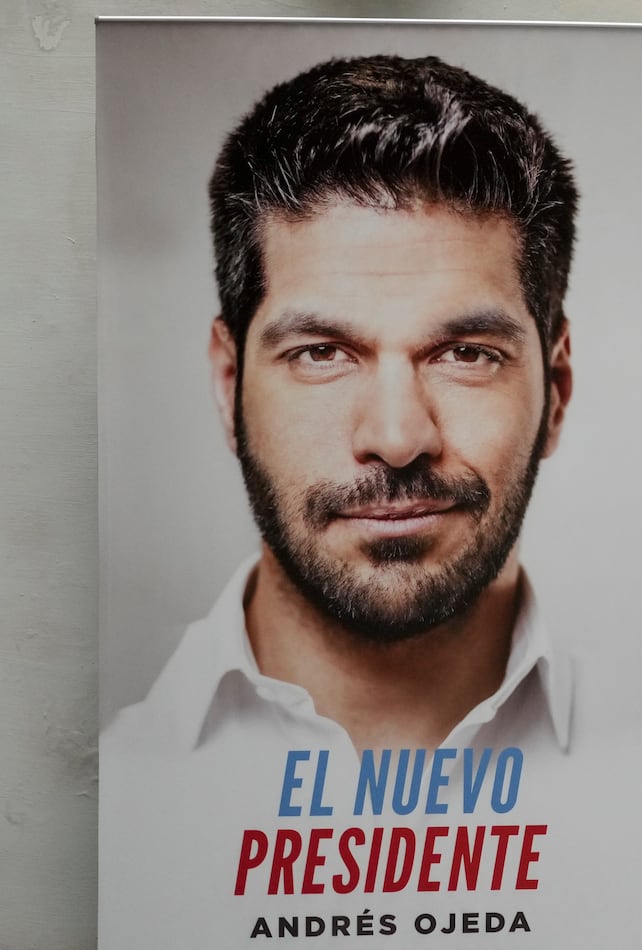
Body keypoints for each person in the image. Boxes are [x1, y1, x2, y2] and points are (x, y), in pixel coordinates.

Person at [102, 54, 579, 757]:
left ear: (557, 390)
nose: (395, 437)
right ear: (228, 384)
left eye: (466, 353)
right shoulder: (118, 786)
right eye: (321, 353)